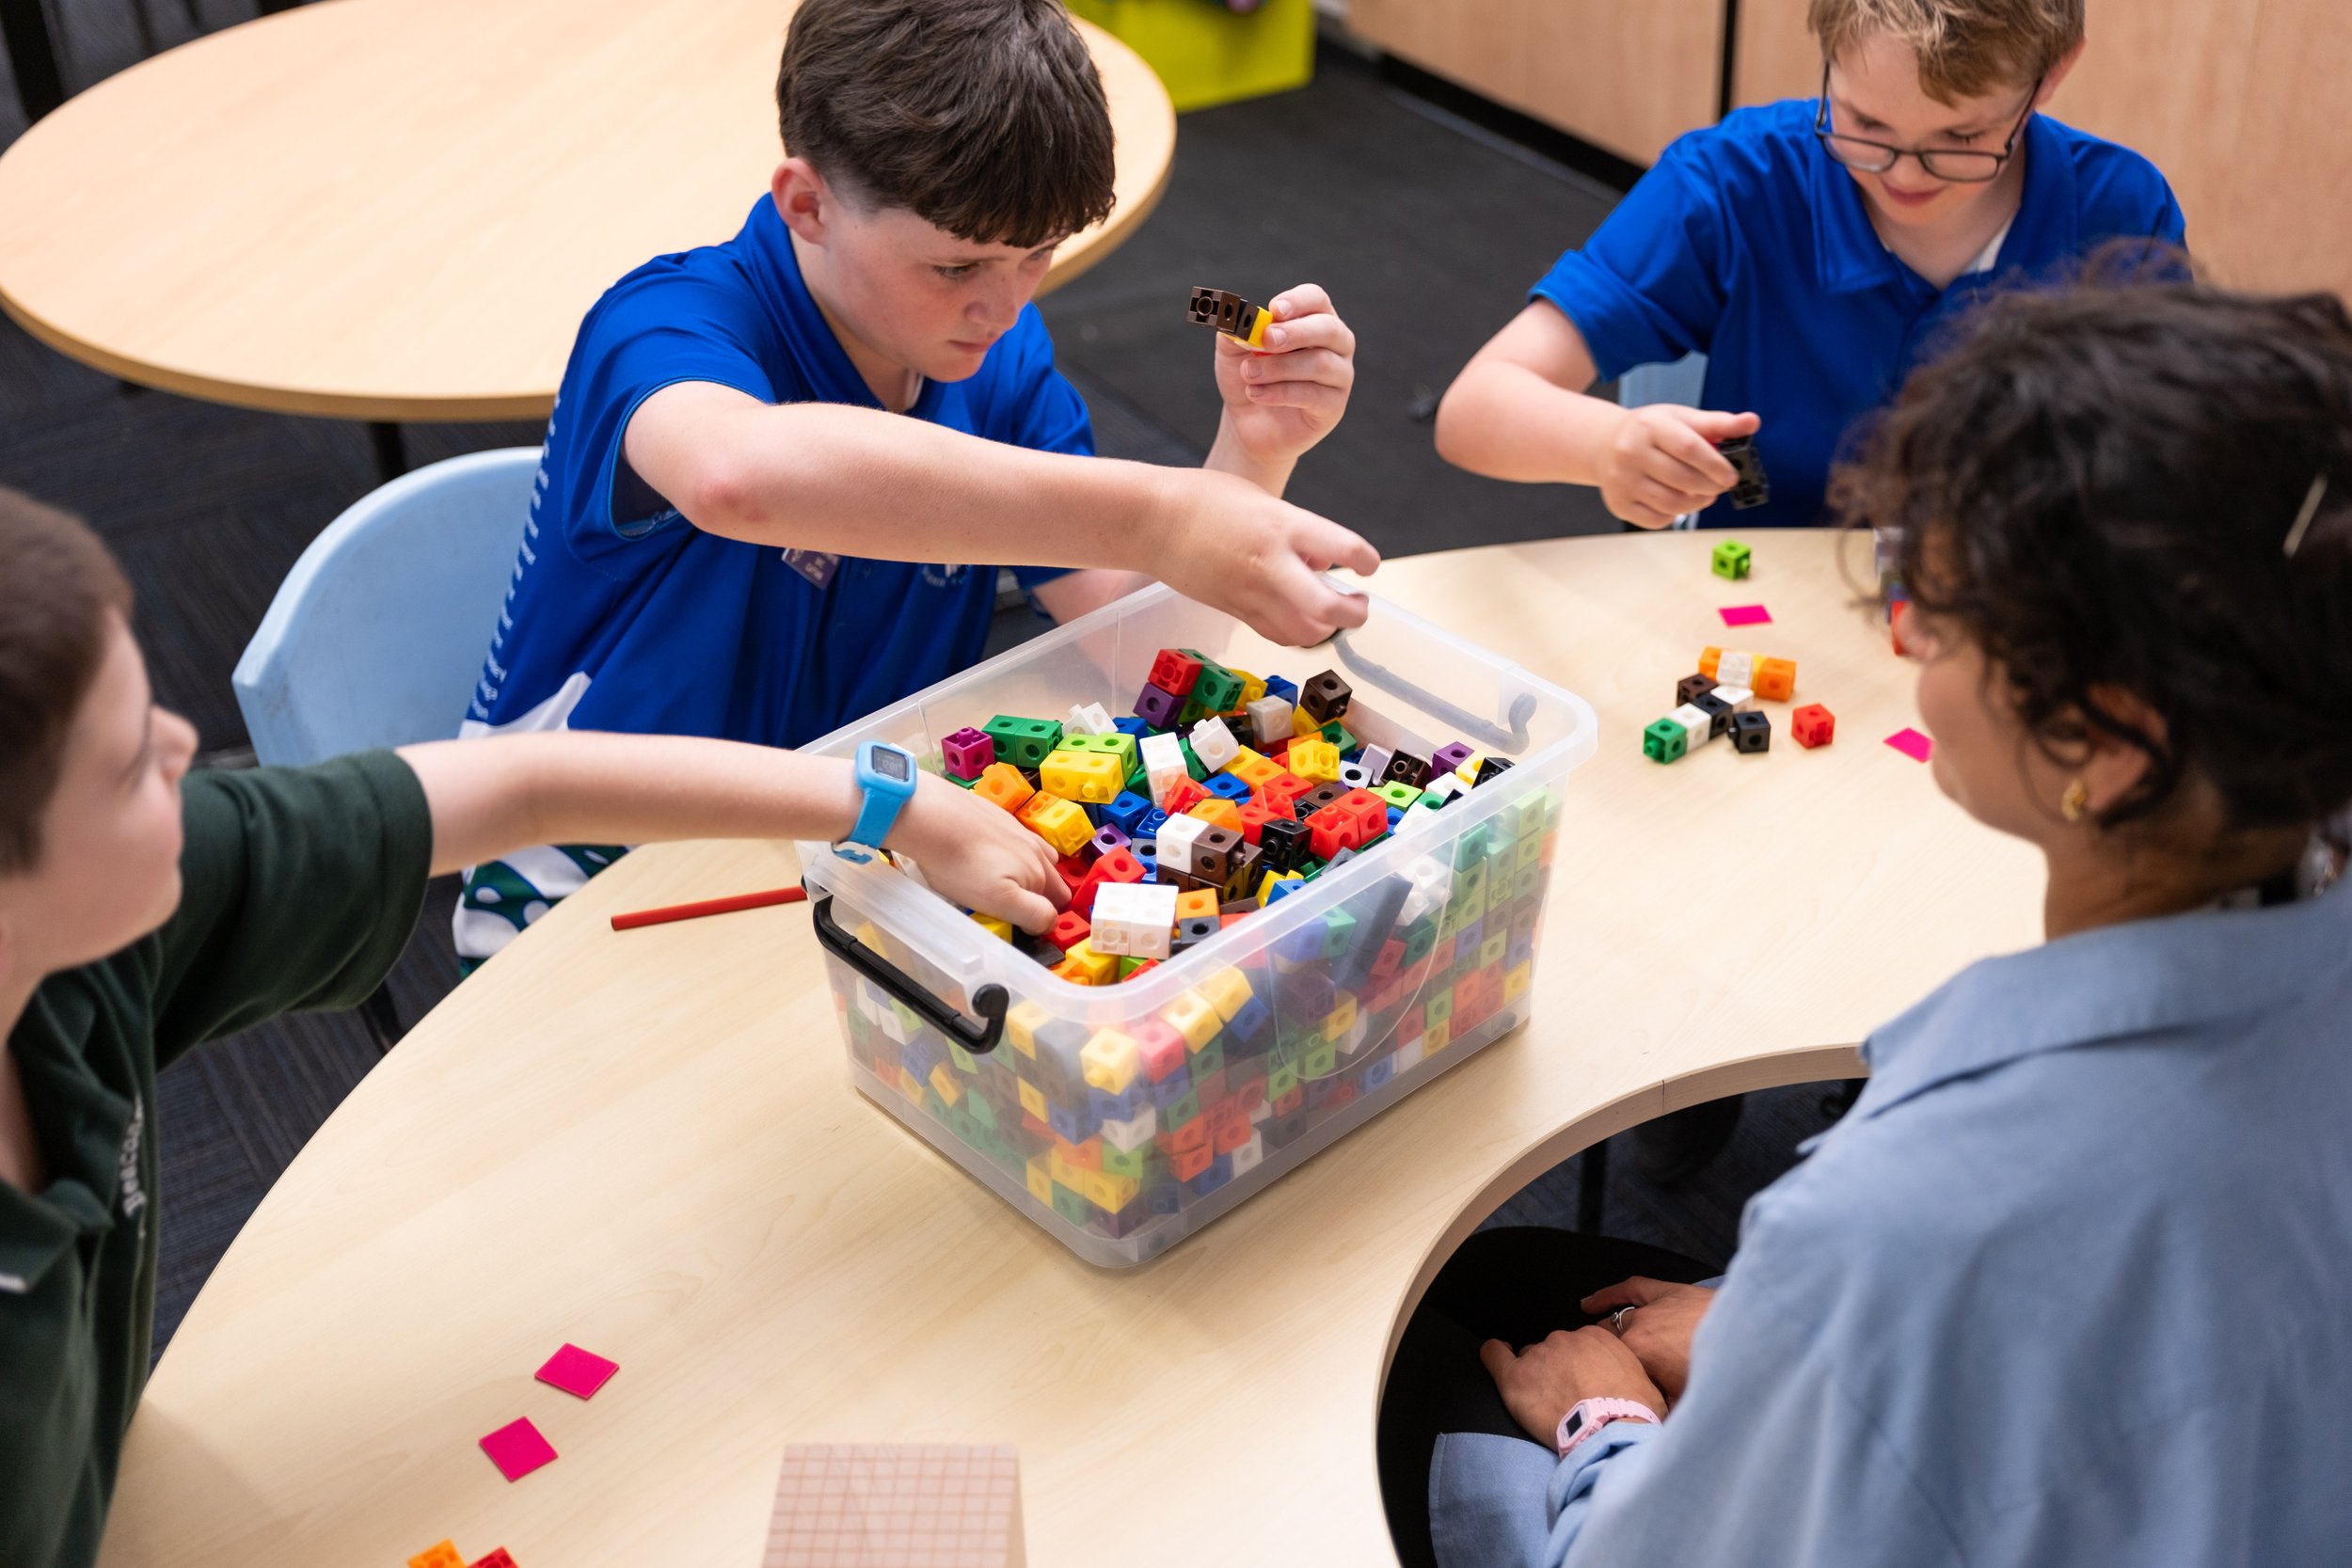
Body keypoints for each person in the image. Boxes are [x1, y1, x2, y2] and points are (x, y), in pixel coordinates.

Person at [1390, 277, 2352, 1567]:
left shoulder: (1887, 1225)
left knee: (1447, 1348)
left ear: (2108, 739)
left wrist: (1608, 1416)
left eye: (1936, 609)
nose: (1900, 637)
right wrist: (1763, 1322)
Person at [0, 487, 1069, 1566]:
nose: (190, 749)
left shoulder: (98, 918)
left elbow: (524, 785)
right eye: (133, 763)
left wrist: (891, 805)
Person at [454, 0, 1374, 966]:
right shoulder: (663, 323)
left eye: (1037, 254)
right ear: (805, 203)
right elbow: (735, 473)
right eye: (956, 264)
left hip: (876, 845)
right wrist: (1160, 514)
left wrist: (1252, 453)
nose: (1006, 302)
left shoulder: (993, 354)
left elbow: (1147, 665)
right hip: (597, 874)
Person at [1434, 0, 2183, 532]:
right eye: (1864, 123)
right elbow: (1475, 408)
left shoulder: (2121, 212)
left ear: (2051, 74)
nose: (1905, 175)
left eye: (1961, 136)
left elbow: (2168, 470)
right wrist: (1603, 446)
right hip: (1758, 598)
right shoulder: (1734, 180)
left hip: (2002, 611)